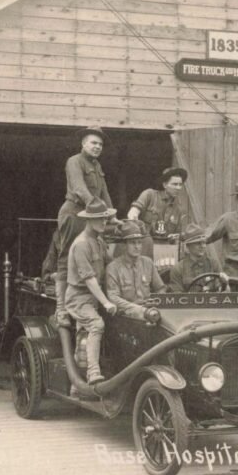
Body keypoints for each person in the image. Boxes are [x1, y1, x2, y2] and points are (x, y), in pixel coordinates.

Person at [54, 126, 113, 326]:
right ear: (83, 144)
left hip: (92, 214)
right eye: (93, 143)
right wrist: (97, 209)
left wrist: (112, 216)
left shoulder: (97, 166)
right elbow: (79, 188)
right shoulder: (74, 161)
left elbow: (104, 192)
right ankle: (61, 309)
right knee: (65, 258)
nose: (97, 147)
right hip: (74, 213)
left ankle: (95, 302)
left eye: (100, 144)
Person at [64, 197, 117, 384]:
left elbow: (111, 267)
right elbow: (89, 279)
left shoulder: (100, 242)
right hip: (79, 298)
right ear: (88, 220)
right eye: (100, 218)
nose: (105, 222)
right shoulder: (81, 244)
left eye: (105, 218)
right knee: (97, 325)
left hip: (94, 297)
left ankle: (79, 385)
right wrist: (106, 302)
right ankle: (93, 373)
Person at [105, 220, 166, 318]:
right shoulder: (113, 268)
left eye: (139, 243)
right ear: (124, 245)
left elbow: (160, 289)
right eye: (133, 243)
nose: (137, 247)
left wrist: (155, 303)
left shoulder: (148, 263)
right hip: (126, 316)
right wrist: (138, 310)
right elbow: (113, 298)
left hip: (150, 313)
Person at [127, 167, 190, 260]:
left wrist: (176, 237)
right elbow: (132, 213)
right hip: (144, 249)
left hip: (164, 252)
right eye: (175, 184)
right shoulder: (149, 195)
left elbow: (177, 234)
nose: (178, 188)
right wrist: (134, 217)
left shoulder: (178, 209)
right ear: (165, 184)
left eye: (180, 185)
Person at [168, 223, 226, 292]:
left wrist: (225, 283)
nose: (203, 246)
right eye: (198, 243)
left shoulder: (213, 264)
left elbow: (224, 293)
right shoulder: (178, 269)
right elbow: (177, 298)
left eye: (204, 242)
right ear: (188, 246)